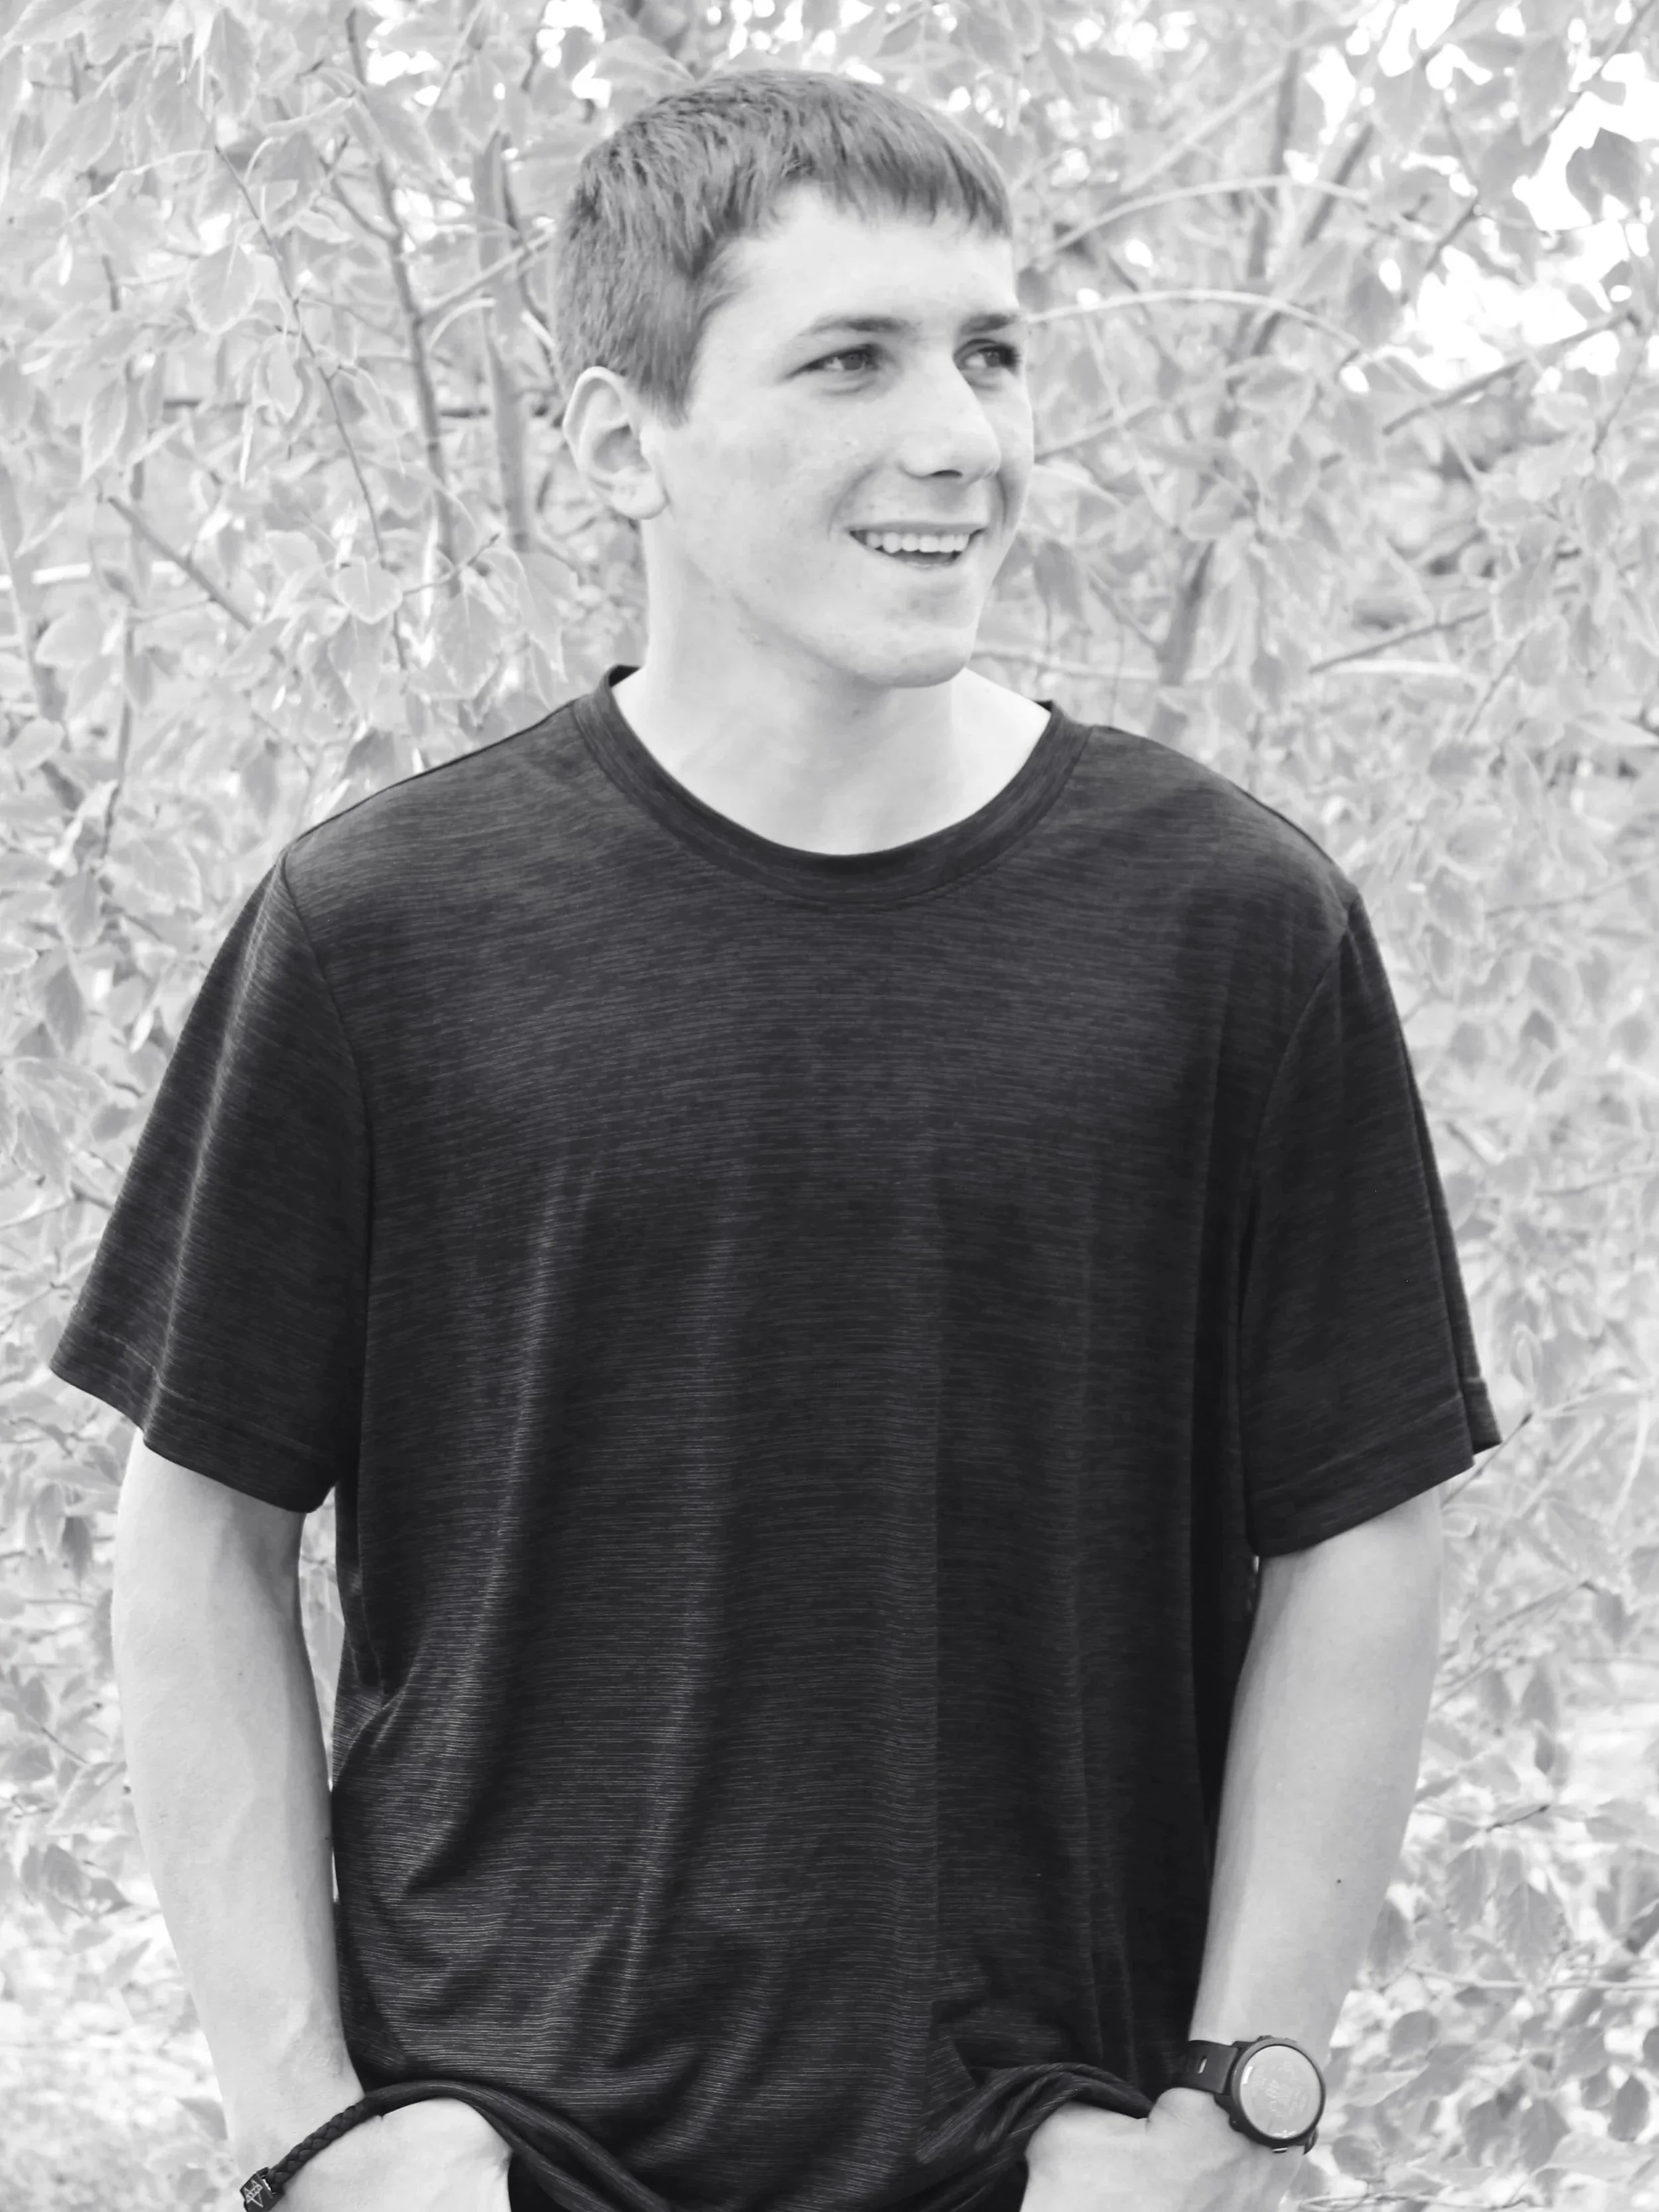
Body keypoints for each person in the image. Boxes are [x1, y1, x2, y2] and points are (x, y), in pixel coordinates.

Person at [50, 61, 1501, 2212]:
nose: (964, 437)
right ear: (612, 440)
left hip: (1052, 2155)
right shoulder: (384, 933)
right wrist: (312, 2134)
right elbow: (196, 1537)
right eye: (854, 359)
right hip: (506, 2154)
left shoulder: (1228, 924)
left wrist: (1235, 2108)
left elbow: (1366, 1525)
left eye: (993, 353)